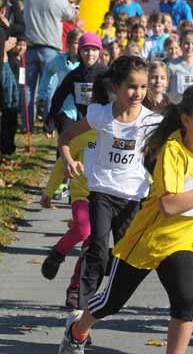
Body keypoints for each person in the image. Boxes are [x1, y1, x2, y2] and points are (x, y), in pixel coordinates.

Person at [57, 85, 193, 354]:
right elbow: (168, 205)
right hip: (146, 242)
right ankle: (77, 330)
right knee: (110, 303)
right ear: (186, 120)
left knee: (186, 305)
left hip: (183, 243)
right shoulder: (174, 151)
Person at [57, 56, 162, 310]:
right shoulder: (100, 115)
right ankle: (81, 310)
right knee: (98, 250)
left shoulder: (151, 121)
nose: (138, 93)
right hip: (102, 191)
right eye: (132, 86)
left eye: (143, 87)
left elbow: (171, 150)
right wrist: (69, 161)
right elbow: (66, 136)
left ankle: (104, 299)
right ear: (115, 86)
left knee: (125, 257)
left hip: (132, 197)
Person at [40, 124, 97, 309]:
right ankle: (57, 254)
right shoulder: (85, 136)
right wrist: (49, 192)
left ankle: (76, 287)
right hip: (82, 195)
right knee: (82, 229)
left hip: (106, 200)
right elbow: (61, 164)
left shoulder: (126, 138)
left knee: (91, 245)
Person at [23, 0, 75, 132]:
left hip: (30, 47)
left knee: (28, 89)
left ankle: (27, 125)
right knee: (50, 87)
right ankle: (49, 124)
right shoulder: (60, 0)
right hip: (50, 49)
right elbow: (72, 16)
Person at [39, 28, 82, 121]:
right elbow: (48, 69)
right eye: (76, 42)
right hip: (65, 108)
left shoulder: (87, 62)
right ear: (69, 45)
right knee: (66, 133)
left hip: (83, 110)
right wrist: (43, 91)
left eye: (82, 42)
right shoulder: (59, 60)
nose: (80, 46)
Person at [167, 30, 193, 104]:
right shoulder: (172, 65)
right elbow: (166, 88)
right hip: (175, 106)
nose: (190, 46)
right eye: (186, 43)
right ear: (180, 44)